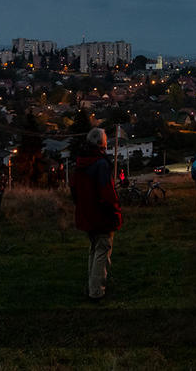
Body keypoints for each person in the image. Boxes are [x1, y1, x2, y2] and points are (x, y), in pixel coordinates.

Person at [69, 128, 121, 301]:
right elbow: (107, 191)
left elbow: (74, 189)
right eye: (105, 141)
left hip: (86, 214)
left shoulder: (81, 162)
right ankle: (97, 291)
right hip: (101, 214)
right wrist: (114, 210)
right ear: (101, 143)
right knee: (102, 250)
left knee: (94, 250)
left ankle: (93, 286)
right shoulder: (100, 164)